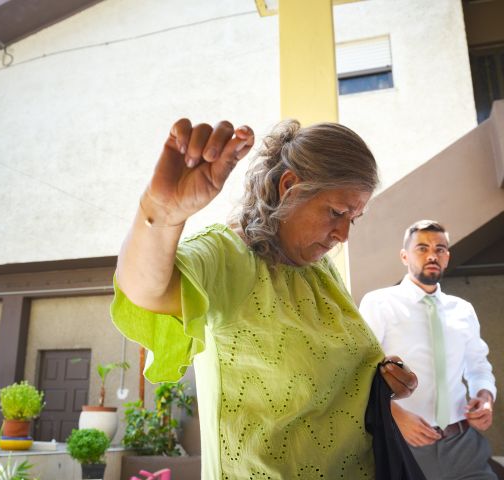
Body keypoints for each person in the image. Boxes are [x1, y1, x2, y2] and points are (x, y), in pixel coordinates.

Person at [111, 118, 417, 479]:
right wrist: (160, 213)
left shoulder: (319, 270)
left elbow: (328, 378)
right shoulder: (226, 256)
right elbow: (147, 290)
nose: (344, 233)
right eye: (336, 212)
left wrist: (381, 382)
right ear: (289, 186)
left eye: (355, 218)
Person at [359, 220, 497, 479]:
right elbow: (359, 370)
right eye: (422, 248)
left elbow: (478, 366)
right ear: (404, 256)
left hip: (463, 445)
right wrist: (394, 415)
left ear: (447, 257)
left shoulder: (463, 309)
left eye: (440, 249)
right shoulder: (379, 303)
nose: (432, 255)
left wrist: (485, 396)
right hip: (403, 443)